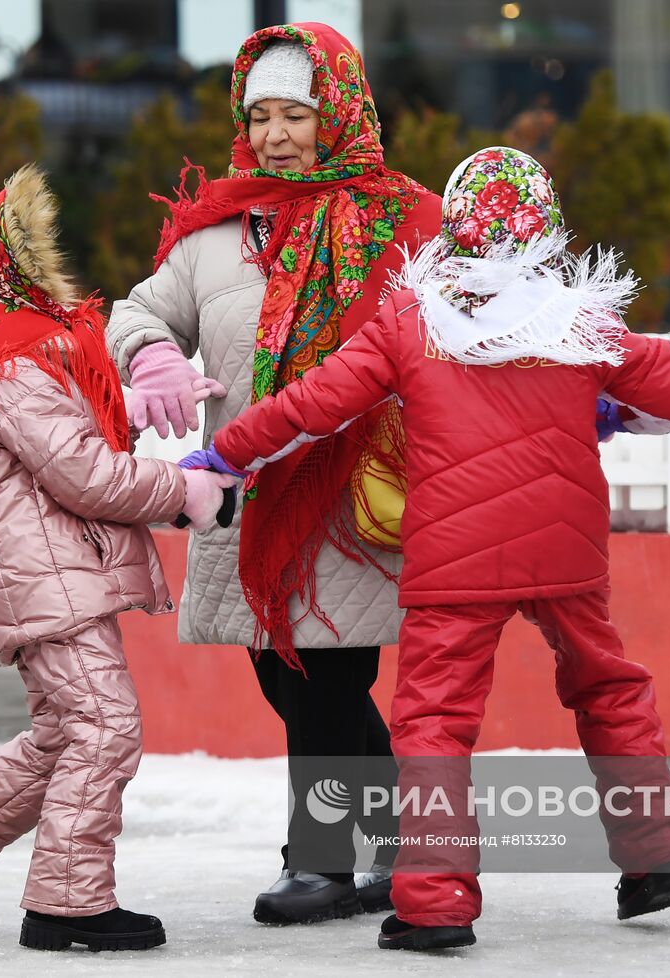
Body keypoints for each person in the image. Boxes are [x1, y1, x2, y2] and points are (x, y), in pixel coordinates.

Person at [189, 147, 670, 951]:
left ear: (455, 226)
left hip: (455, 555)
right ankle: (657, 853)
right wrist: (610, 412)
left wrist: (224, 455)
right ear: (548, 226)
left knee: (435, 719)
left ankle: (434, 902)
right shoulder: (578, 321)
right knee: (608, 685)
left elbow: (311, 406)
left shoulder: (412, 318)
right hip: (565, 551)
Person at [104, 22, 443, 924]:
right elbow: (134, 312)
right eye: (261, 116)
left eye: (297, 112)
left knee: (327, 674)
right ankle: (416, 829)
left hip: (352, 488)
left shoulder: (401, 221)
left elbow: (466, 325)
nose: (277, 134)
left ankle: (323, 862)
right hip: (249, 491)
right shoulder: (217, 231)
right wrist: (150, 358)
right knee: (283, 676)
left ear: (340, 111)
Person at [0, 165, 236, 953]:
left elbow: (71, 443)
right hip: (48, 587)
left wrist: (134, 408)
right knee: (105, 727)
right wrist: (184, 493)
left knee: (65, 733)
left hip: (48, 582)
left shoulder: (8, 366)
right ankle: (68, 902)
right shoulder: (12, 373)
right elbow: (88, 476)